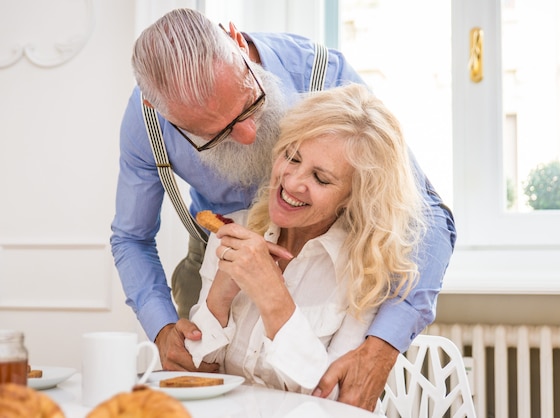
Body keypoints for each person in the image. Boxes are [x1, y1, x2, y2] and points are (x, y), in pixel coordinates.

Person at [110, 8, 456, 411]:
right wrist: (166, 327)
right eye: (214, 135)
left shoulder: (319, 74)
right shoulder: (146, 121)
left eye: (250, 103)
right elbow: (132, 238)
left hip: (336, 254)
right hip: (218, 248)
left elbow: (425, 214)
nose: (249, 134)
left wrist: (381, 347)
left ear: (237, 42)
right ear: (158, 108)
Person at [185, 84, 425, 405]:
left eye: (321, 179)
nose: (293, 181)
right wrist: (220, 297)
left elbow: (335, 401)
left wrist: (273, 297)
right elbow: (193, 372)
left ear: (354, 196)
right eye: (291, 156)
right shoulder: (233, 231)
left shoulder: (366, 272)